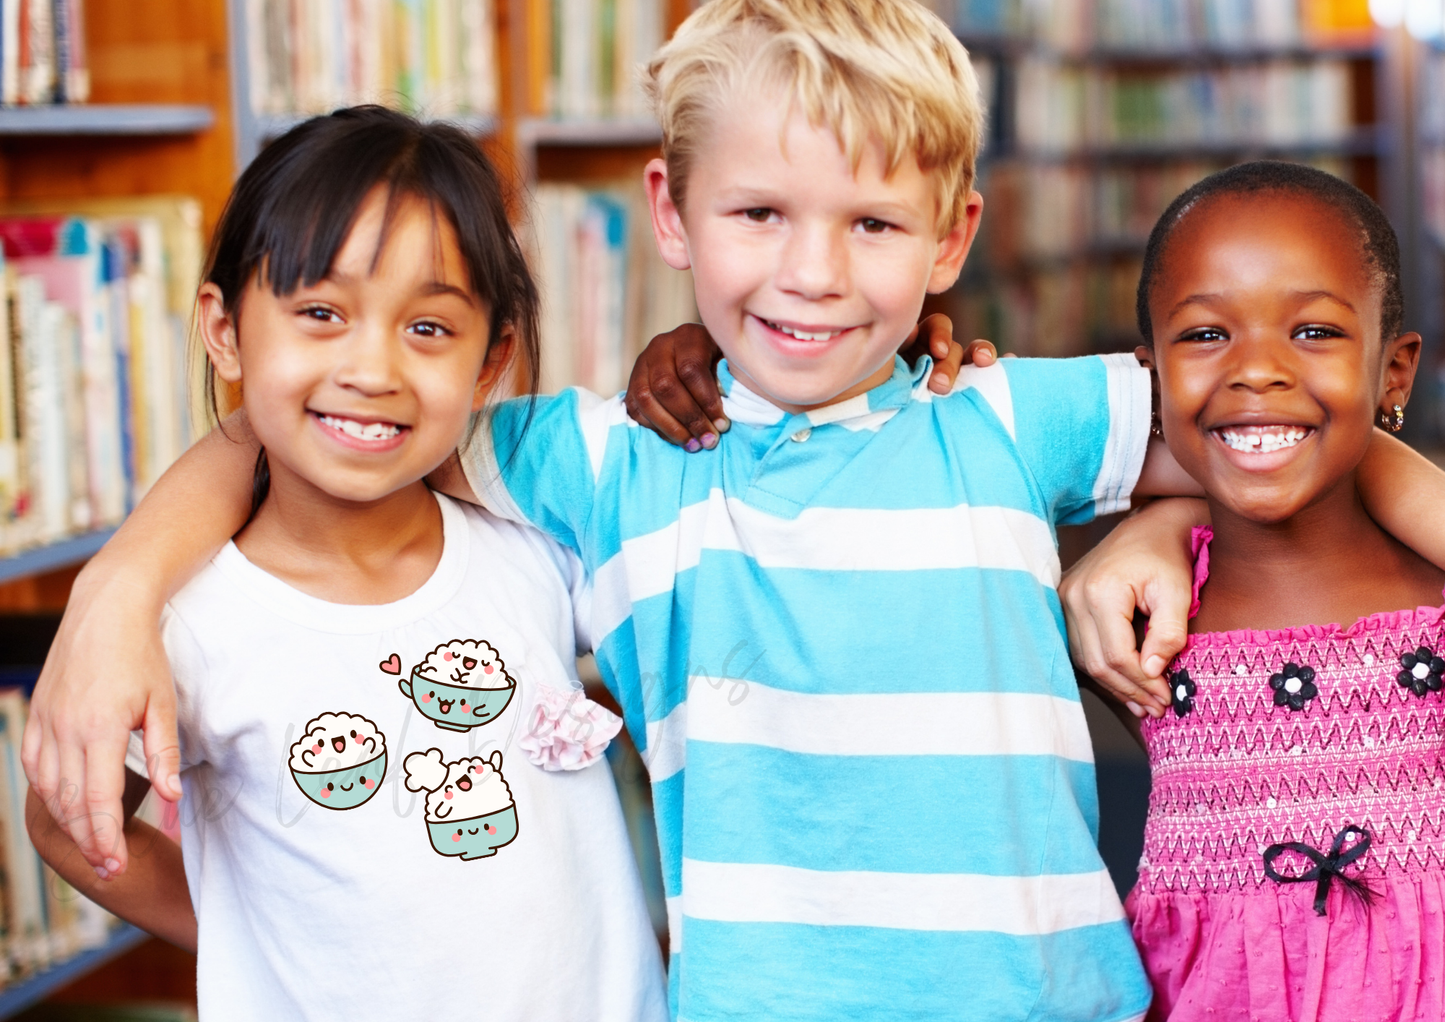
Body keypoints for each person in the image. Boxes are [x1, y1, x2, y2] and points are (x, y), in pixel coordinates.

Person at [23, 4, 1445, 1021]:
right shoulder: (600, 463)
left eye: (873, 225)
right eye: (759, 214)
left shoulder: (1008, 418)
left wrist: (1147, 518)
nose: (813, 274)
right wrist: (116, 594)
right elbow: (306, 424)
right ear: (672, 210)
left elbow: (1281, 427)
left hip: (1054, 998)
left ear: (952, 235)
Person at [24, 107, 677, 1020]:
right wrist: (265, 947)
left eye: (429, 330)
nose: (373, 368)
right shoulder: (191, 629)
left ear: (490, 363)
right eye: (321, 314)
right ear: (225, 330)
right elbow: (64, 821)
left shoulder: (536, 546)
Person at [1091, 161, 1445, 1021]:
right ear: (1149, 380)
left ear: (1392, 373)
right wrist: (705, 363)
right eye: (1206, 335)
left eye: (1315, 332)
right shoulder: (1140, 624)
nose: (1256, 370)